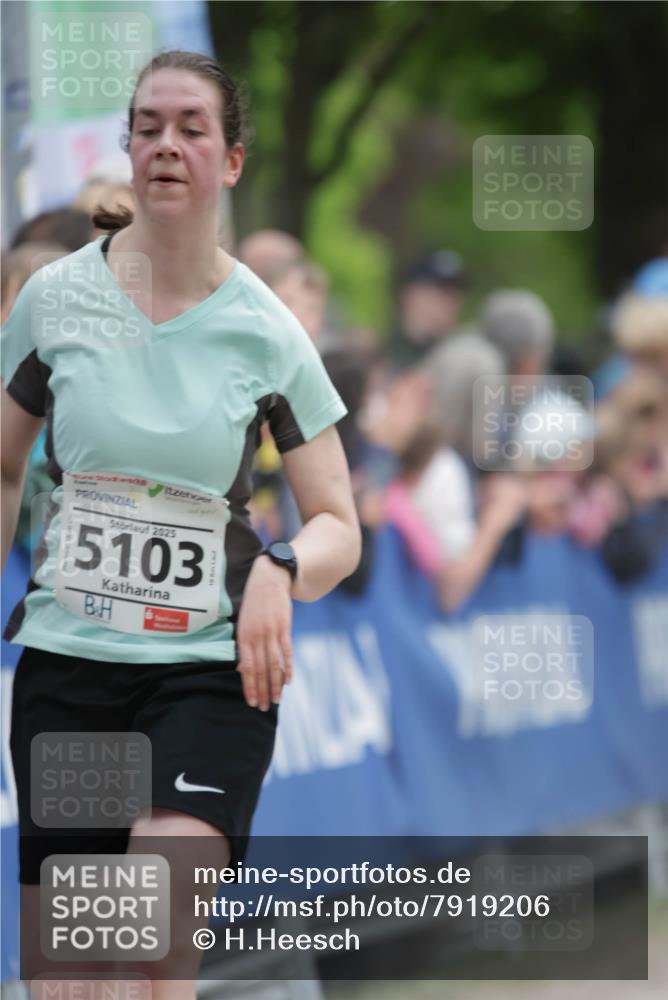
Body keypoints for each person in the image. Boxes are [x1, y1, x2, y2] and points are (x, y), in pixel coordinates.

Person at [1, 50, 361, 1000]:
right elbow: (5, 467)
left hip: (207, 670)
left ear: (230, 161)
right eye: (149, 126)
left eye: (191, 129)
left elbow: (338, 523)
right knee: (74, 979)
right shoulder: (54, 301)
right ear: (127, 147)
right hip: (70, 668)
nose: (167, 144)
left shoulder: (268, 328)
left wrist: (281, 567)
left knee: (146, 935)